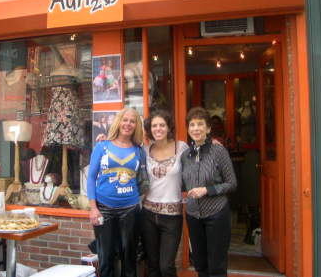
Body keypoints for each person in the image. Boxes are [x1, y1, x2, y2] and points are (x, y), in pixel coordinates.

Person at [87, 107, 145, 277]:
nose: (128, 124)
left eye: (132, 121)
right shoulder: (102, 146)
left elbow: (144, 179)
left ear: (136, 126)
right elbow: (91, 178)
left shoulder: (139, 150)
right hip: (104, 208)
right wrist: (93, 208)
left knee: (130, 258)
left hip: (131, 209)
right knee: (106, 259)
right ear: (118, 122)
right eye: (125, 120)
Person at [181, 107, 237, 277]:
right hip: (193, 215)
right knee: (200, 264)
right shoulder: (185, 155)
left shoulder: (218, 151)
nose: (196, 128)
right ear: (188, 129)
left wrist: (207, 190)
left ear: (208, 128)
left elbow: (232, 183)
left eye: (200, 124)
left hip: (216, 214)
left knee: (216, 266)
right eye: (192, 125)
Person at [141, 110, 188, 277]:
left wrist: (212, 144)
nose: (158, 128)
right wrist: (105, 142)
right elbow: (124, 149)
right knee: (152, 265)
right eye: (154, 125)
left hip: (172, 216)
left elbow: (199, 158)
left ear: (169, 128)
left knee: (166, 266)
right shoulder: (145, 150)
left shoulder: (181, 147)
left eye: (162, 125)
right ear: (149, 129)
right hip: (148, 215)